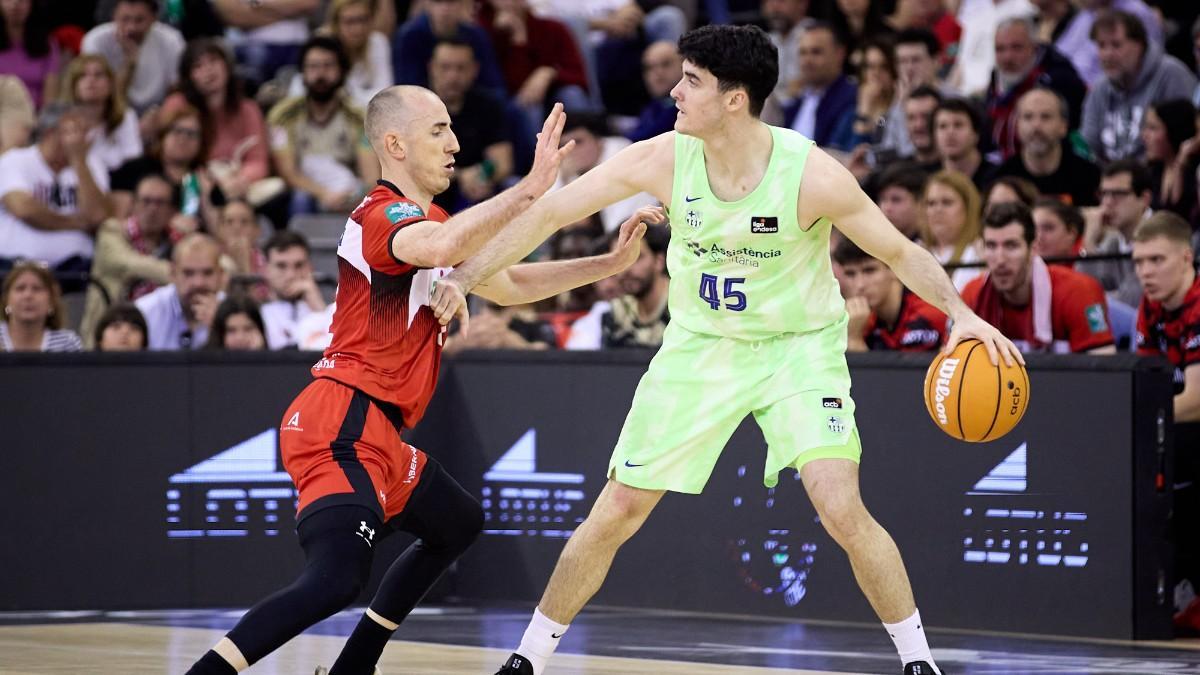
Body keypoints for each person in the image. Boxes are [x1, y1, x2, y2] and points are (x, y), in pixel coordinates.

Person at [430, 24, 1021, 675]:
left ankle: (919, 662)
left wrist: (961, 314)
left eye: (691, 82)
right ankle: (528, 659)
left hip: (798, 349)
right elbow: (548, 216)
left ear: (735, 99)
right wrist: (461, 275)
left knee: (840, 504)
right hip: (701, 346)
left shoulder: (811, 175)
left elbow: (900, 251)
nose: (674, 92)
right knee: (616, 508)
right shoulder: (662, 156)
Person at [183, 93, 655, 675]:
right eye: (439, 131)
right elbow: (442, 247)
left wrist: (607, 265)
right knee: (334, 582)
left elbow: (506, 283)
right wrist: (531, 190)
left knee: (456, 522)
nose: (455, 145)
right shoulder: (381, 216)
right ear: (395, 145)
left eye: (453, 130)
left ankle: (354, 665)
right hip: (341, 422)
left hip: (380, 433)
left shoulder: (429, 224)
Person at [1130, 211, 1200, 634]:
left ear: (1187, 259)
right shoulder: (1151, 308)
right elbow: (1145, 379)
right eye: (1139, 262)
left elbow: (1196, 399)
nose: (1145, 272)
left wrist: (1136, 416)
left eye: (1156, 260)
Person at [962, 201, 1115, 353]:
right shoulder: (972, 294)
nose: (1000, 259)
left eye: (1011, 246)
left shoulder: (1078, 291)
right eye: (991, 246)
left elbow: (1103, 370)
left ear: (1033, 248)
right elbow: (949, 365)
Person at [267, 36, 379, 216]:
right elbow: (288, 173)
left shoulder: (359, 118)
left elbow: (371, 177)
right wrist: (323, 194)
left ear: (342, 71)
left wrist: (352, 196)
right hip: (304, 194)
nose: (320, 74)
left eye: (328, 66)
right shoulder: (283, 117)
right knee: (300, 199)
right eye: (313, 67)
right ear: (302, 73)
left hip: (349, 194)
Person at [0, 103, 111, 278]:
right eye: (75, 131)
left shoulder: (92, 164)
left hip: (76, 270)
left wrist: (78, 162)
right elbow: (24, 209)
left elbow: (96, 216)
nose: (84, 139)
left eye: (85, 131)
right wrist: (78, 223)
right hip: (12, 268)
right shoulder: (14, 160)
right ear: (50, 132)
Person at [1081, 10, 1196, 163]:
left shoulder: (1171, 75)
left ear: (1139, 45)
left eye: (1116, 45)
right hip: (1111, 180)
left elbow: (1184, 140)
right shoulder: (1100, 87)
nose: (1107, 54)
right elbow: (1088, 146)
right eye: (1102, 46)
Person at [80, 173, 174, 348]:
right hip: (111, 332)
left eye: (160, 203)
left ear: (171, 210)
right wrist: (180, 273)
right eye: (146, 201)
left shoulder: (177, 240)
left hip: (161, 334)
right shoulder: (111, 231)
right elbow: (129, 264)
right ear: (134, 204)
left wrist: (191, 237)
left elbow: (221, 265)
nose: (153, 209)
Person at [427, 38, 513, 214]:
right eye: (445, 67)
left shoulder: (488, 105)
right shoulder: (416, 106)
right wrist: (461, 176)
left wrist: (481, 175)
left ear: (474, 69)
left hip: (478, 192)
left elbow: (502, 163)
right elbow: (414, 165)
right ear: (432, 68)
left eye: (461, 68)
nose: (453, 76)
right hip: (431, 190)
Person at [983, 16, 1085, 160]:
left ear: (1034, 47)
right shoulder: (997, 77)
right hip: (1004, 164)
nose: (1007, 57)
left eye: (1016, 47)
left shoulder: (1060, 79)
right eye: (1000, 49)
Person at [994, 87, 1101, 207]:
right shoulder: (1000, 179)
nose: (1036, 126)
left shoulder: (1089, 177)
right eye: (1028, 117)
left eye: (1046, 117)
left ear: (1063, 126)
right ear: (1017, 125)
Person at [836, 238, 947, 352]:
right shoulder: (858, 320)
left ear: (895, 269)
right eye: (850, 274)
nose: (860, 285)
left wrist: (854, 340)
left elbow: (912, 370)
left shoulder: (928, 314)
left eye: (869, 271)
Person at [80, 0, 185, 114]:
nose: (131, 28)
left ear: (154, 18)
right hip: (110, 111)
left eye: (139, 20)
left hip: (157, 112)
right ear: (114, 16)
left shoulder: (172, 40)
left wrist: (158, 115)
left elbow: (176, 89)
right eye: (125, 19)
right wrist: (129, 62)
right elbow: (100, 93)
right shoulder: (95, 40)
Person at [135, 232, 226, 350]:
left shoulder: (236, 316)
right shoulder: (145, 313)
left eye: (207, 273)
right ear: (173, 274)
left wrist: (220, 328)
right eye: (188, 273)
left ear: (221, 275)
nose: (198, 283)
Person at [59, 54, 143, 172]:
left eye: (98, 75)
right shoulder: (62, 119)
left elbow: (133, 158)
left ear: (110, 84)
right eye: (83, 76)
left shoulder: (126, 117)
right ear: (73, 85)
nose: (91, 80)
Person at [784, 21, 857, 153]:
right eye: (803, 53)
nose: (807, 60)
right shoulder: (796, 102)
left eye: (816, 52)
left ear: (839, 54)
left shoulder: (852, 97)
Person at [259, 230, 327, 350]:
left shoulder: (328, 311)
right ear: (266, 269)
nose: (291, 275)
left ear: (310, 267)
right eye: (281, 266)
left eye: (299, 265)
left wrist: (318, 306)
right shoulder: (256, 314)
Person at [920, 170, 984, 290]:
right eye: (931, 203)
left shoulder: (979, 253)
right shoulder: (915, 252)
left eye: (947, 202)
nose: (937, 210)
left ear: (968, 208)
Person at [0, 260, 83, 352]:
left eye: (37, 289)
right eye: (20, 288)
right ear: (6, 299)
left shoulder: (68, 343)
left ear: (51, 301)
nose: (28, 295)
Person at [0, 0, 60, 109]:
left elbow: (50, 99)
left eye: (22, 0)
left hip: (35, 120)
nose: (15, 4)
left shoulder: (47, 44)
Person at [1032, 196, 1085, 263]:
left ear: (1072, 233)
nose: (1038, 237)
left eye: (1048, 228)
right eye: (1033, 228)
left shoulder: (1087, 261)